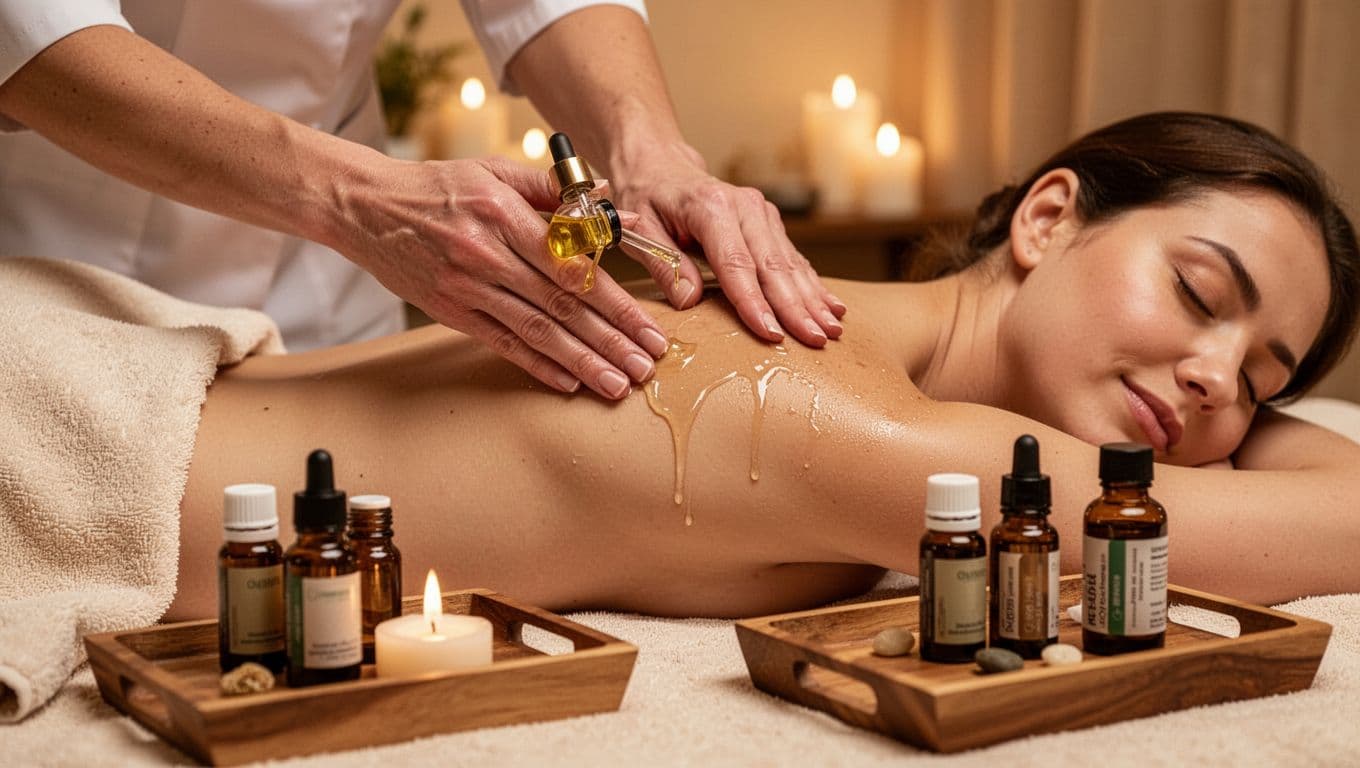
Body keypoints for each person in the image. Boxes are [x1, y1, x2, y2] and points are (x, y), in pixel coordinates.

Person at [155, 112, 1360, 620]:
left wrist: (1252, 405)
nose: (1215, 379)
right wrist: (1267, 422)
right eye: (1199, 294)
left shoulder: (859, 348)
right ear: (1046, 220)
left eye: (1262, 381)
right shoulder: (818, 395)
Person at [0, 1, 843, 402]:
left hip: (329, 313)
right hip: (63, 261)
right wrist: (356, 199)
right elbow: (33, 28)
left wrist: (649, 146)